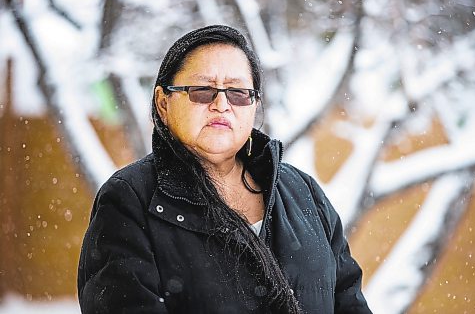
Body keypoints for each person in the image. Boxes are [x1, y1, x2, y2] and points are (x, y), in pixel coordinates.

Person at [78, 25, 372, 314]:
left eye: (238, 93)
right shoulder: (131, 200)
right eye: (203, 90)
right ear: (163, 103)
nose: (221, 104)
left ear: (254, 104)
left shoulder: (302, 192)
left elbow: (348, 300)